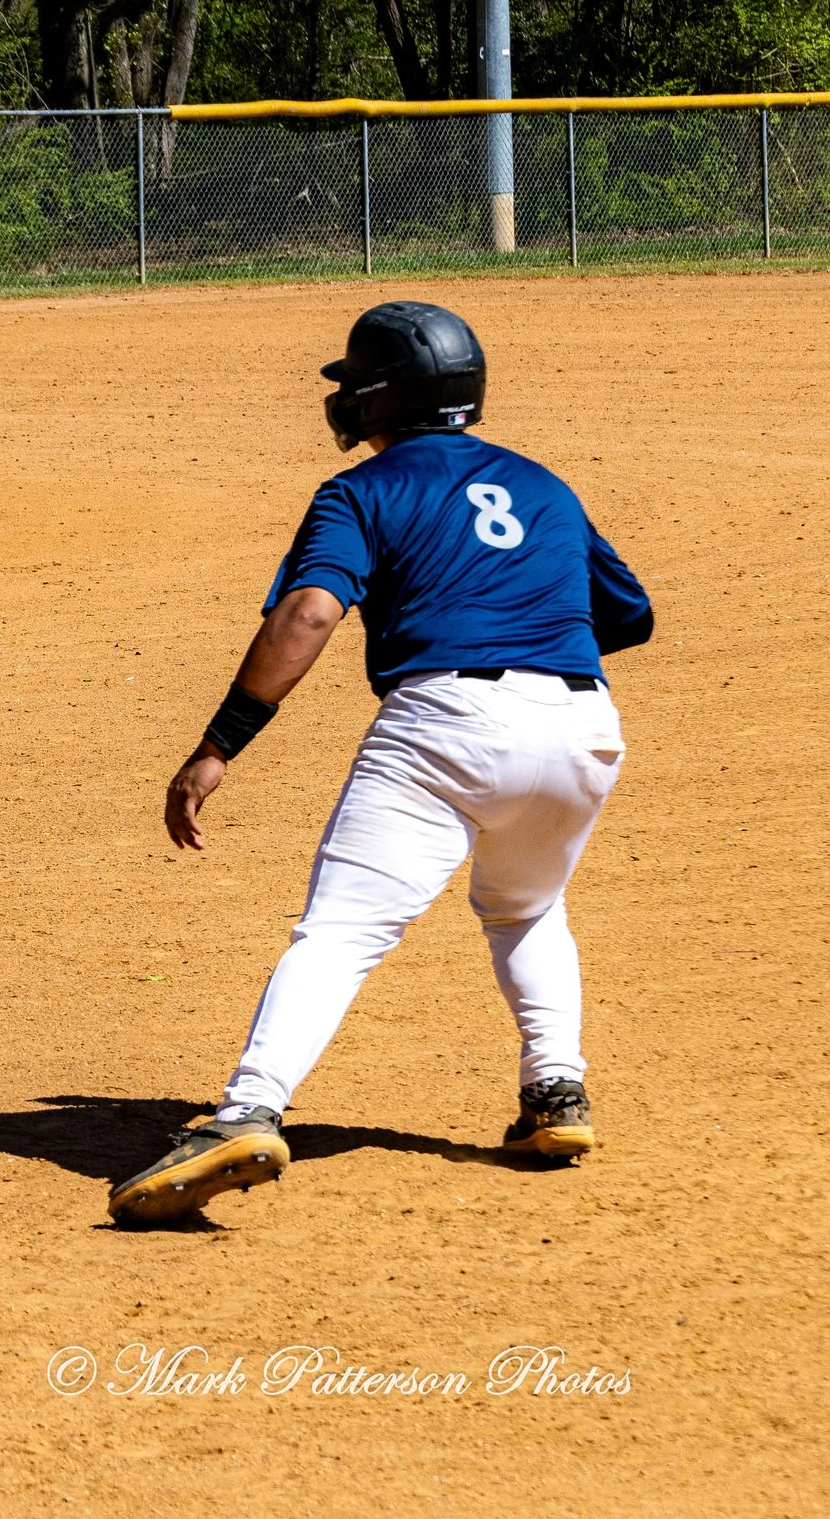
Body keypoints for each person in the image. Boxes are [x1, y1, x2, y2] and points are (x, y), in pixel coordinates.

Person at [109, 300, 653, 1227]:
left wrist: (217, 747)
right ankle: (556, 1093)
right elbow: (628, 616)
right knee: (525, 907)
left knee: (340, 934)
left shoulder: (360, 492)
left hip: (447, 723)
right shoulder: (543, 485)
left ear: (377, 397)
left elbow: (308, 616)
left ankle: (248, 1109)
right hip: (581, 725)